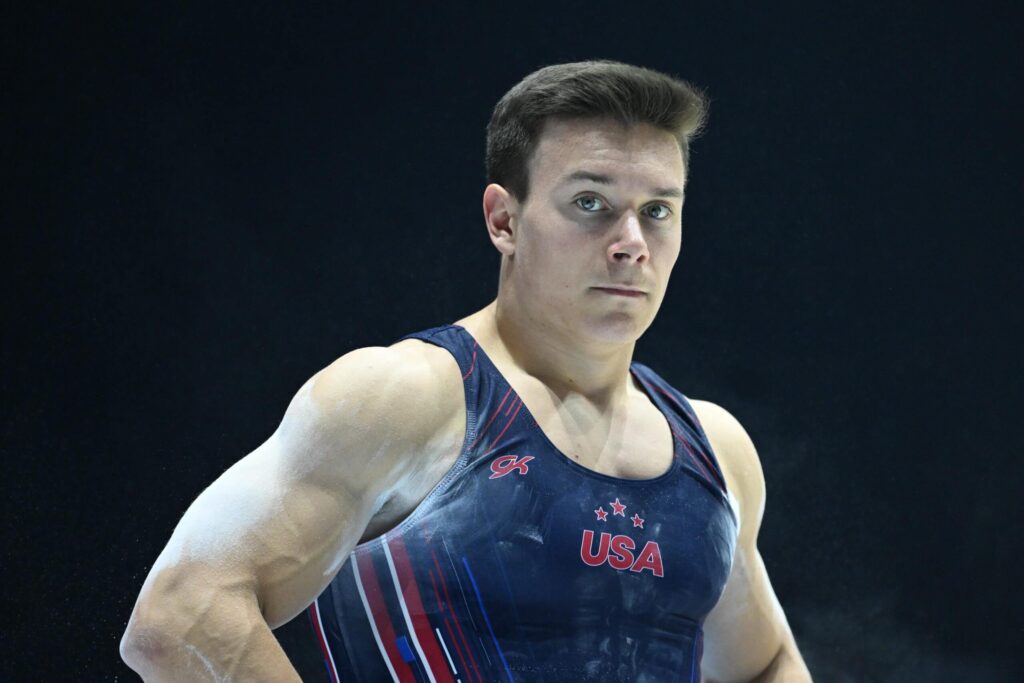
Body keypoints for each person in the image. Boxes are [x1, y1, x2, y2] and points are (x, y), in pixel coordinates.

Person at [120, 59, 812, 682]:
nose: (632, 243)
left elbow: (767, 663)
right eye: (591, 204)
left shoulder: (715, 451)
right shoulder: (409, 398)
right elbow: (183, 613)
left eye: (657, 210)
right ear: (503, 220)